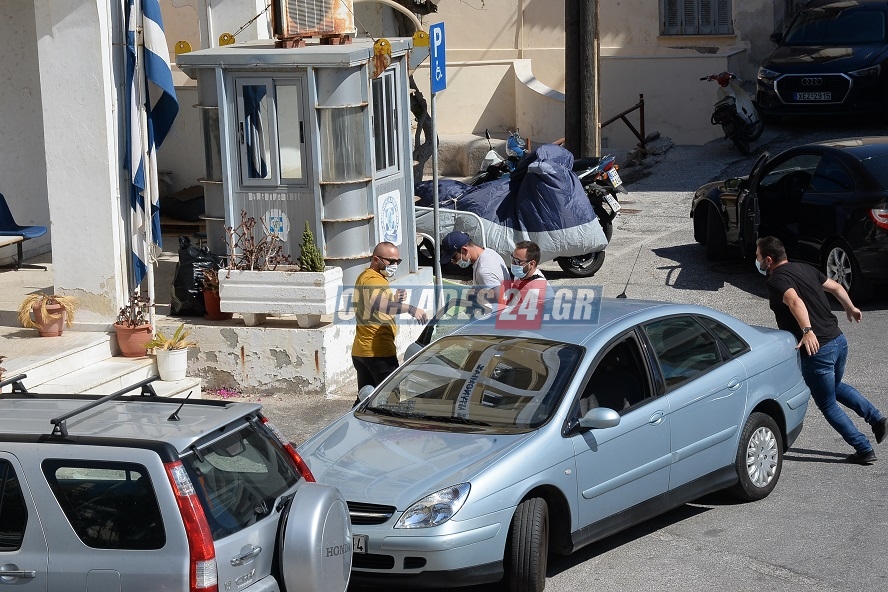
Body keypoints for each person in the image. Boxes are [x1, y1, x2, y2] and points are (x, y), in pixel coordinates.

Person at [756, 236, 886, 464]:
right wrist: (851, 307)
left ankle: (864, 449)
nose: (756, 261)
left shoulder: (776, 280)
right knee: (834, 387)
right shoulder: (805, 268)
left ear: (769, 259)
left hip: (819, 349)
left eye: (758, 257)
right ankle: (877, 419)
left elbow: (795, 301)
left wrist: (807, 331)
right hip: (838, 340)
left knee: (827, 404)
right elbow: (835, 286)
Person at [352, 242, 427, 401]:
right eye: (390, 261)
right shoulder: (374, 280)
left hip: (361, 351)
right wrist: (411, 309)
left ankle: (349, 425)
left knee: (366, 402)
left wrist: (395, 299)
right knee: (390, 402)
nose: (394, 265)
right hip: (379, 353)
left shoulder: (365, 277)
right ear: (376, 259)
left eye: (397, 262)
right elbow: (381, 306)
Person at [439, 231, 509, 305]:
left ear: (464, 250)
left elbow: (501, 306)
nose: (453, 262)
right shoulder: (489, 252)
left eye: (454, 257)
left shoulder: (484, 271)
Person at [506, 240, 555, 305]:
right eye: (512, 258)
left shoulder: (536, 291)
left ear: (532, 264)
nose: (512, 263)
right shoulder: (522, 274)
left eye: (517, 261)